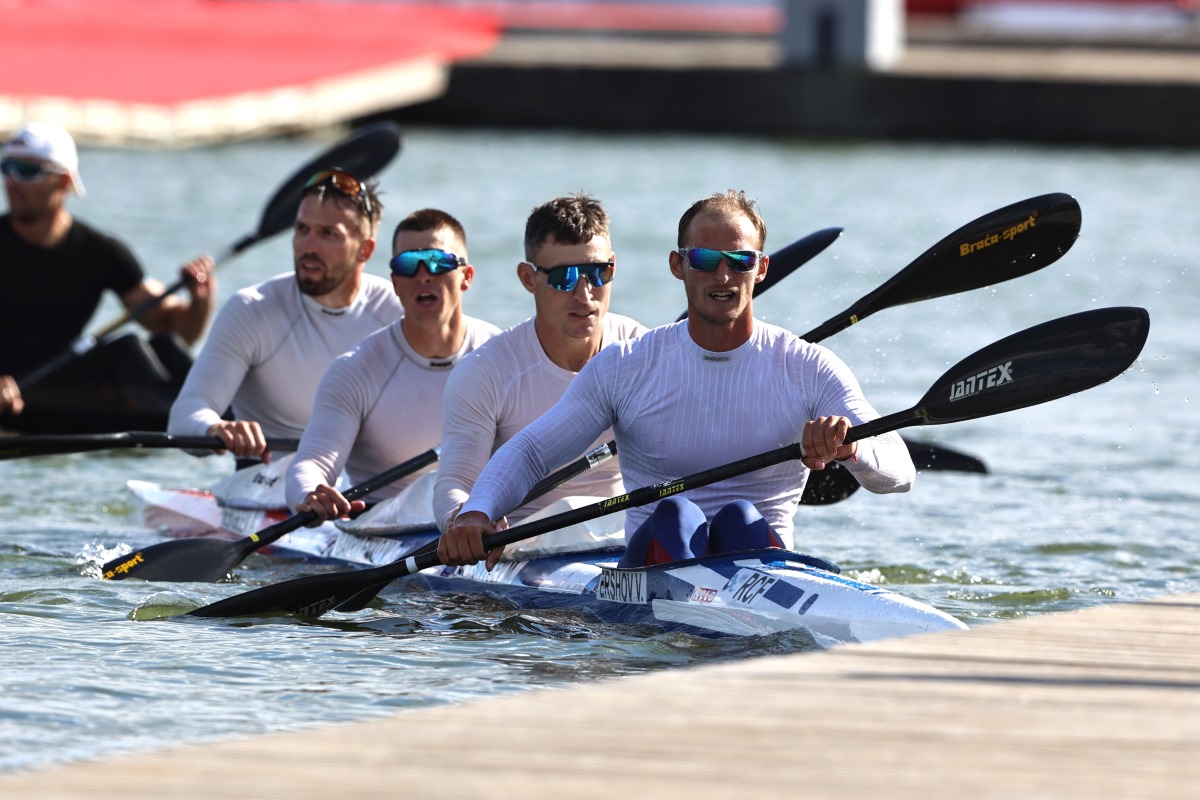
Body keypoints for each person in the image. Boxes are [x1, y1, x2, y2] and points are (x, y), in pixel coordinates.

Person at [439, 189, 915, 571]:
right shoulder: (629, 365)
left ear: (762, 268)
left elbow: (900, 473)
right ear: (678, 265)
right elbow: (532, 451)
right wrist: (478, 512)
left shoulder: (809, 367)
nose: (723, 275)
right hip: (652, 568)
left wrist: (851, 449)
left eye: (740, 261)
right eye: (706, 259)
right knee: (678, 514)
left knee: (739, 519)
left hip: (760, 564)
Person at [431, 193, 646, 535]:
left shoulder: (641, 351)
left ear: (613, 267)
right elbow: (455, 480)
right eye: (564, 277)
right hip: (524, 541)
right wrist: (464, 519)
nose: (584, 294)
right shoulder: (486, 371)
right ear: (528, 278)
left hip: (623, 535)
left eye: (597, 272)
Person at [168, 168, 401, 463]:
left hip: (362, 490)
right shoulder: (252, 310)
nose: (309, 246)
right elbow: (185, 412)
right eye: (302, 229)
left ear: (365, 251)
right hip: (266, 485)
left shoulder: (396, 313)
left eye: (328, 234)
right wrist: (214, 427)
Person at [285, 209, 500, 519]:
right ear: (395, 282)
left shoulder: (501, 355)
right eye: (409, 264)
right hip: (383, 524)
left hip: (478, 522)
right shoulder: (356, 370)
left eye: (439, 262)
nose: (424, 276)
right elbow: (311, 463)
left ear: (466, 277)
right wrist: (310, 492)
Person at [1, 122, 215, 426]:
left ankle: (224, 423)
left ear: (62, 181)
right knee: (127, 351)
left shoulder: (101, 252)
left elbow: (176, 330)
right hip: (10, 392)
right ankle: (188, 427)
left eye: (25, 170)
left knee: (162, 348)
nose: (12, 182)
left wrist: (200, 300)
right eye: (6, 167)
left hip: (59, 378)